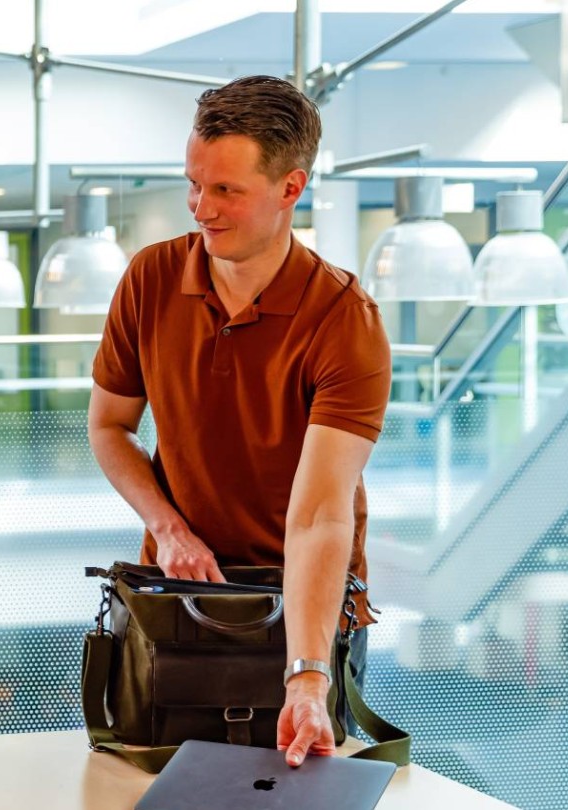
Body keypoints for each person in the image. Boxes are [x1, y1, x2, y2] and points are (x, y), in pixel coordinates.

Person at [85, 76, 392, 769]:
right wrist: (169, 530)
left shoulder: (346, 320)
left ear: (292, 188)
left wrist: (309, 675)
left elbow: (318, 515)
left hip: (300, 608)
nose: (201, 208)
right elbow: (109, 427)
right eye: (194, 184)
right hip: (180, 601)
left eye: (226, 190)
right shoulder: (150, 279)